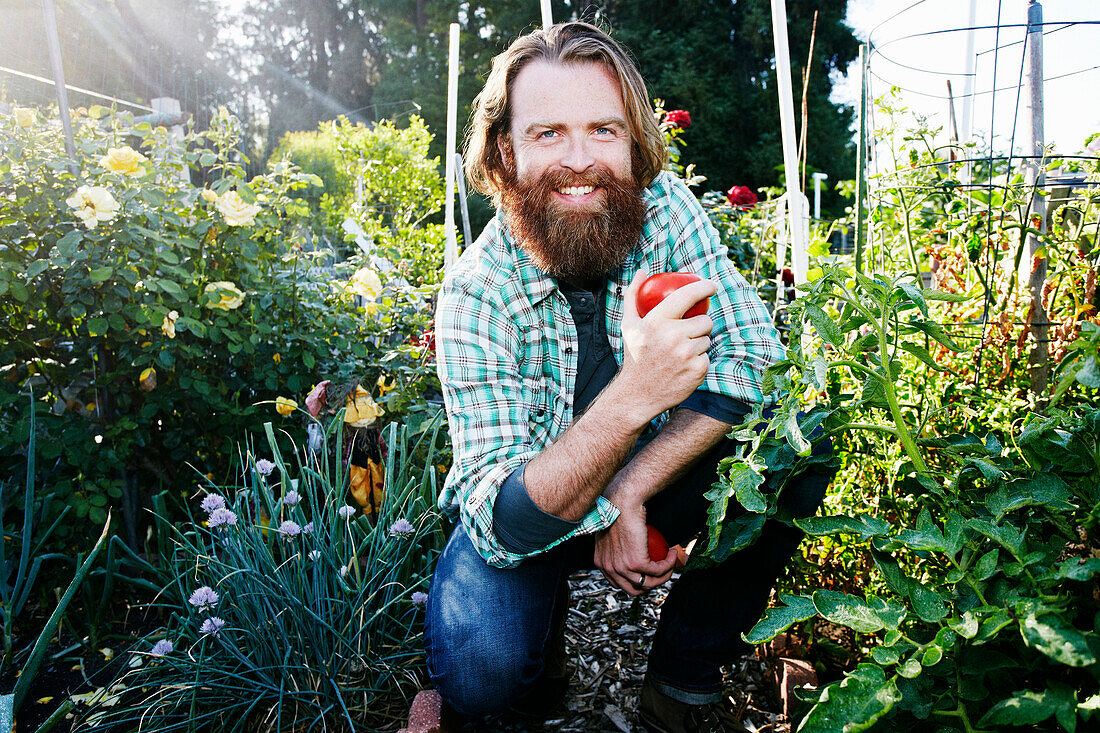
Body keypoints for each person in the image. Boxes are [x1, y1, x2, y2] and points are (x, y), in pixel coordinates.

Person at [425, 21, 831, 733]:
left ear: (634, 142)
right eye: (547, 133)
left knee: (800, 441)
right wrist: (638, 392)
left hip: (642, 474)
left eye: (603, 131)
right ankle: (536, 660)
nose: (579, 162)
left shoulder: (663, 208)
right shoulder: (476, 293)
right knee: (480, 667)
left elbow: (759, 364)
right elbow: (502, 522)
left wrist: (628, 489)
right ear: (504, 151)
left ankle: (682, 675)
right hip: (531, 511)